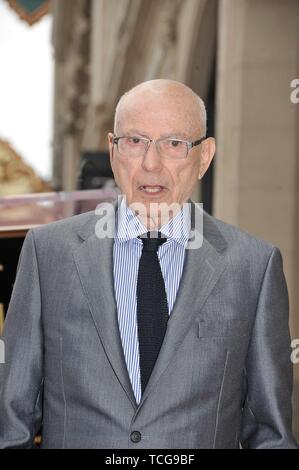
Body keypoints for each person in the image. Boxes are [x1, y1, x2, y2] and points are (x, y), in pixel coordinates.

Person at [0, 79, 298, 449]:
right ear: (113, 151)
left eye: (174, 144)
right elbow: (11, 423)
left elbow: (271, 436)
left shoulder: (253, 267)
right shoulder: (48, 254)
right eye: (135, 141)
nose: (151, 163)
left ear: (204, 157)